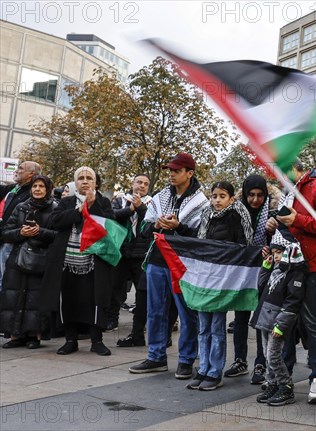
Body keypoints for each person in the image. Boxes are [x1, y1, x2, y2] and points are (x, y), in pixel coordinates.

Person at [267, 159, 316, 404]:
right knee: (285, 322)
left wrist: (296, 220)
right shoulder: (291, 193)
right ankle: (282, 380)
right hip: (289, 267)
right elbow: (290, 229)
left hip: (312, 267)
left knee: (311, 323)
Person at [129, 153, 208, 378]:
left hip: (183, 263)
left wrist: (179, 226)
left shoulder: (201, 202)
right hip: (157, 260)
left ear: (190, 173)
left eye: (177, 171)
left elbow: (202, 235)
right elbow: (144, 231)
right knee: (155, 311)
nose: (171, 175)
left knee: (186, 312)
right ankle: (156, 357)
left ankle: (186, 360)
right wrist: (156, 224)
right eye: (170, 171)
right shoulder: (160, 196)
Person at [186, 181, 253, 391]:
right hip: (206, 278)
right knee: (203, 326)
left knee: (217, 327)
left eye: (222, 196)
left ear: (231, 198)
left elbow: (243, 246)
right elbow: (200, 244)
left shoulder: (236, 216)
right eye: (214, 196)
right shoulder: (207, 216)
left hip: (223, 280)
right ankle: (203, 368)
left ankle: (215, 370)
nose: (217, 200)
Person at [40, 167, 114, 356]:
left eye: (89, 178)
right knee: (68, 301)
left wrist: (93, 205)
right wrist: (80, 210)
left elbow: (110, 224)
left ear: (96, 182)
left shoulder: (104, 202)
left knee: (95, 301)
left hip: (93, 262)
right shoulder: (67, 202)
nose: (85, 181)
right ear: (76, 182)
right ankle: (70, 340)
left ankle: (97, 341)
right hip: (67, 261)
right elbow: (56, 222)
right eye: (80, 178)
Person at [224, 174, 279, 385]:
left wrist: (272, 238)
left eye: (260, 195)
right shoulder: (236, 211)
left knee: (260, 318)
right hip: (243, 271)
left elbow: (283, 240)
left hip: (265, 271)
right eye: (251, 195)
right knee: (240, 316)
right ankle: (239, 360)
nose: (255, 200)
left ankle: (261, 362)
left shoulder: (273, 213)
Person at [0, 175, 57, 349]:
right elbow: (5, 233)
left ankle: (34, 336)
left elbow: (57, 236)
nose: (37, 189)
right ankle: (16, 335)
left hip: (41, 260)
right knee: (14, 297)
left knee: (35, 299)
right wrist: (21, 233)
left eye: (41, 186)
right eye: (34, 186)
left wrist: (39, 232)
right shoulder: (21, 207)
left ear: (48, 189)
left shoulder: (55, 208)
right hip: (17, 259)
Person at [253, 229, 306, 406]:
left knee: (274, 356)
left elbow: (293, 302)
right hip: (265, 317)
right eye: (274, 252)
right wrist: (265, 267)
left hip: (278, 322)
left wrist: (281, 325)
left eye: (279, 252)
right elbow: (261, 287)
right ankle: (273, 383)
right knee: (268, 356)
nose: (276, 256)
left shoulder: (295, 273)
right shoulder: (275, 269)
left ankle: (286, 386)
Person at [112, 174, 153, 347]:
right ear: (132, 184)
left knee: (142, 293)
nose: (142, 186)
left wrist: (140, 208)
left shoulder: (152, 203)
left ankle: (138, 329)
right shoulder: (120, 199)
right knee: (115, 288)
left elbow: (151, 222)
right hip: (121, 251)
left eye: (145, 184)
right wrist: (129, 210)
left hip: (141, 254)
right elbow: (111, 216)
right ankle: (111, 320)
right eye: (139, 182)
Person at [0, 161, 42, 291]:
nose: (17, 171)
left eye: (21, 168)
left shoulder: (31, 194)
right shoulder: (14, 188)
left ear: (31, 174)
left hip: (10, 243)